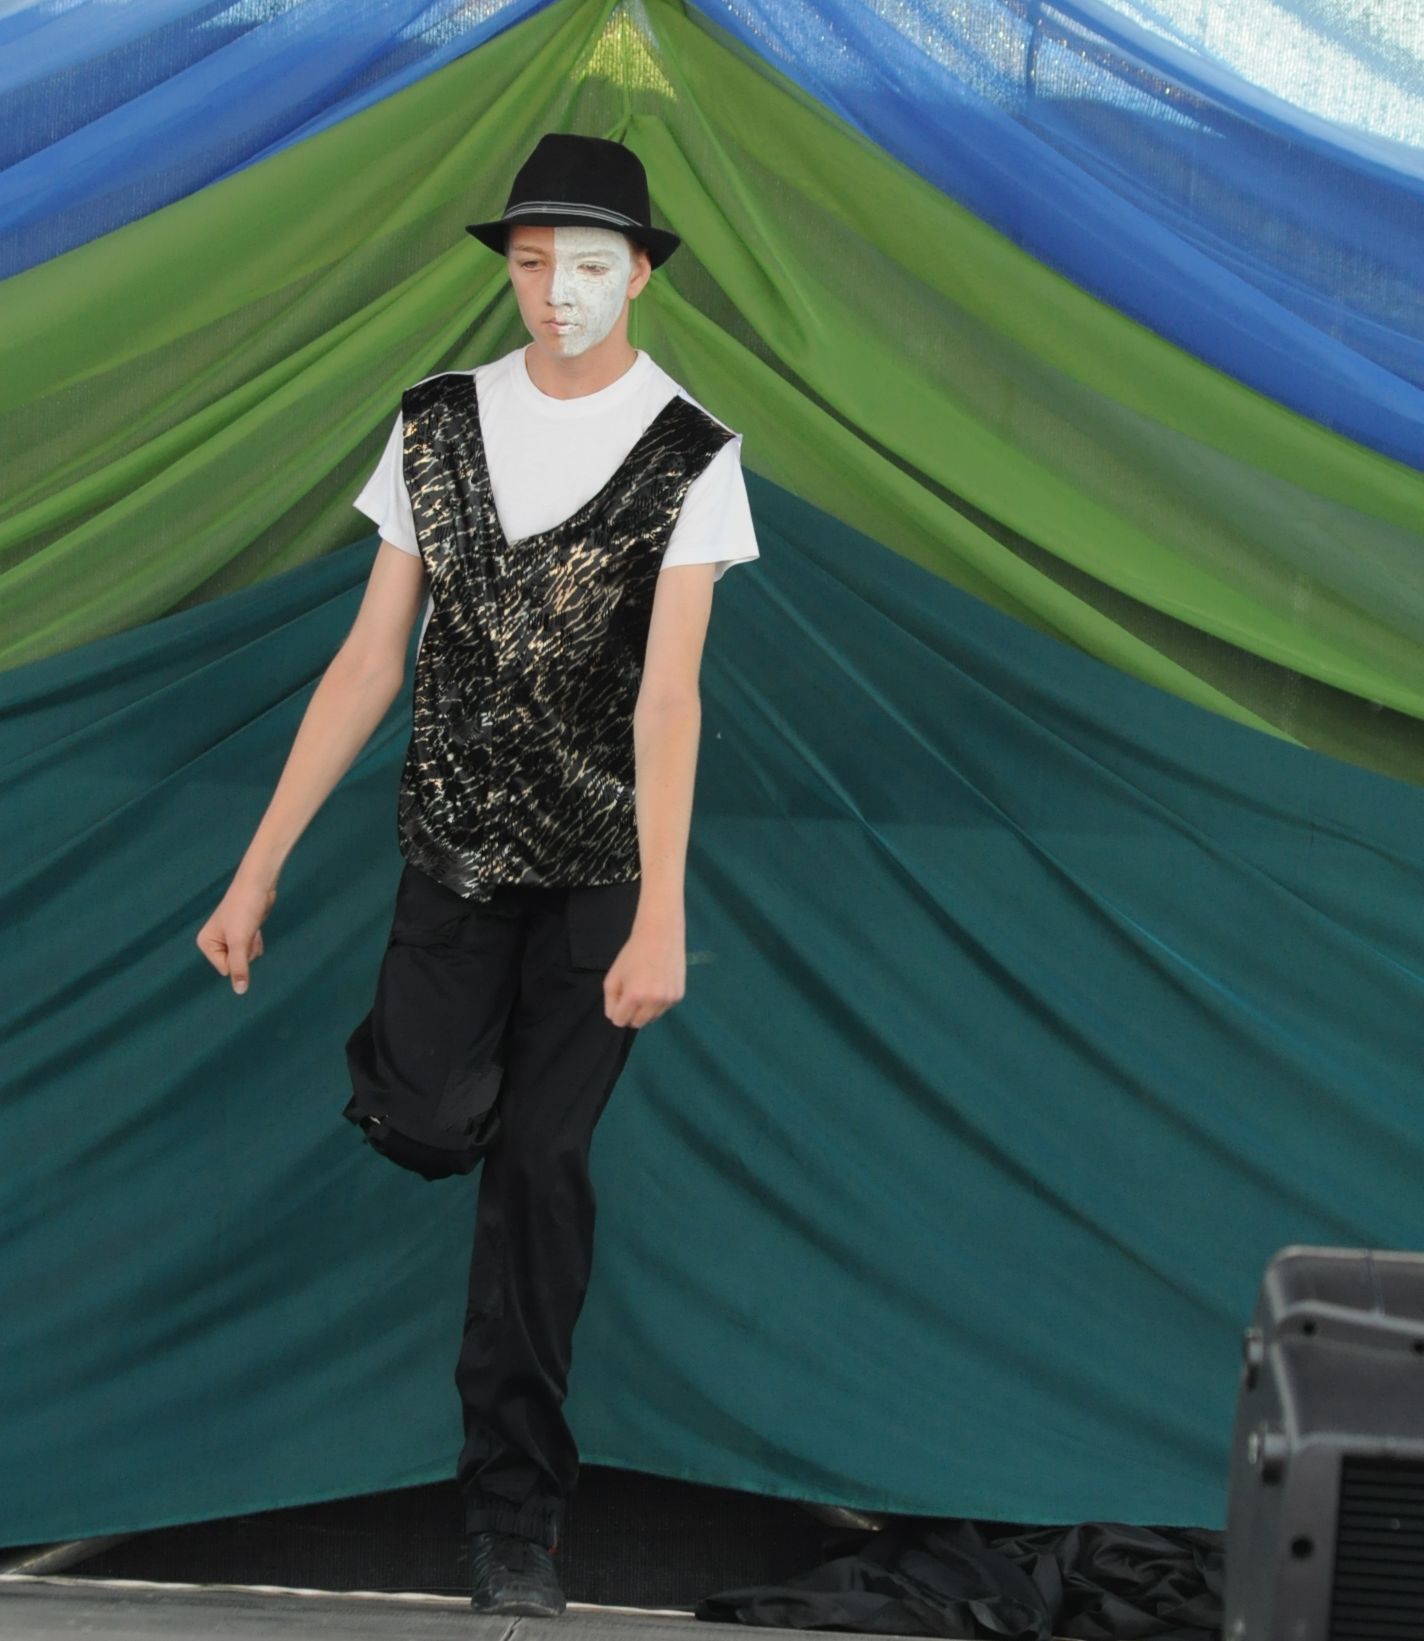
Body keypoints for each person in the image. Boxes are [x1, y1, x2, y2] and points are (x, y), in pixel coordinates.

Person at [195, 132, 760, 1617]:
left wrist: (662, 912)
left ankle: (517, 1518)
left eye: (589, 265)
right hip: (450, 859)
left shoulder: (692, 453)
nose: (558, 291)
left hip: (597, 880)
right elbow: (367, 661)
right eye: (530, 262)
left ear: (639, 276)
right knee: (431, 1118)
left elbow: (670, 699)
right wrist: (255, 871)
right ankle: (453, 1088)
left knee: (540, 1171)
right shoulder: (434, 423)